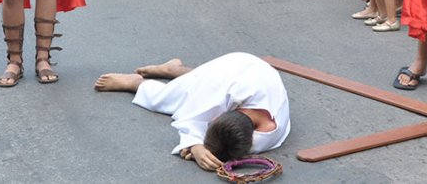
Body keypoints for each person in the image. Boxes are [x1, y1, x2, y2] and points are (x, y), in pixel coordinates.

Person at [93, 53, 290, 171]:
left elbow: (231, 146)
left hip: (251, 74)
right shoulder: (219, 100)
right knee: (169, 99)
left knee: (193, 85)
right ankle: (137, 83)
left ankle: (173, 70)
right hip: (235, 65)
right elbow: (189, 118)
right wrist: (194, 145)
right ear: (217, 116)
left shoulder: (265, 137)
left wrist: (198, 147)